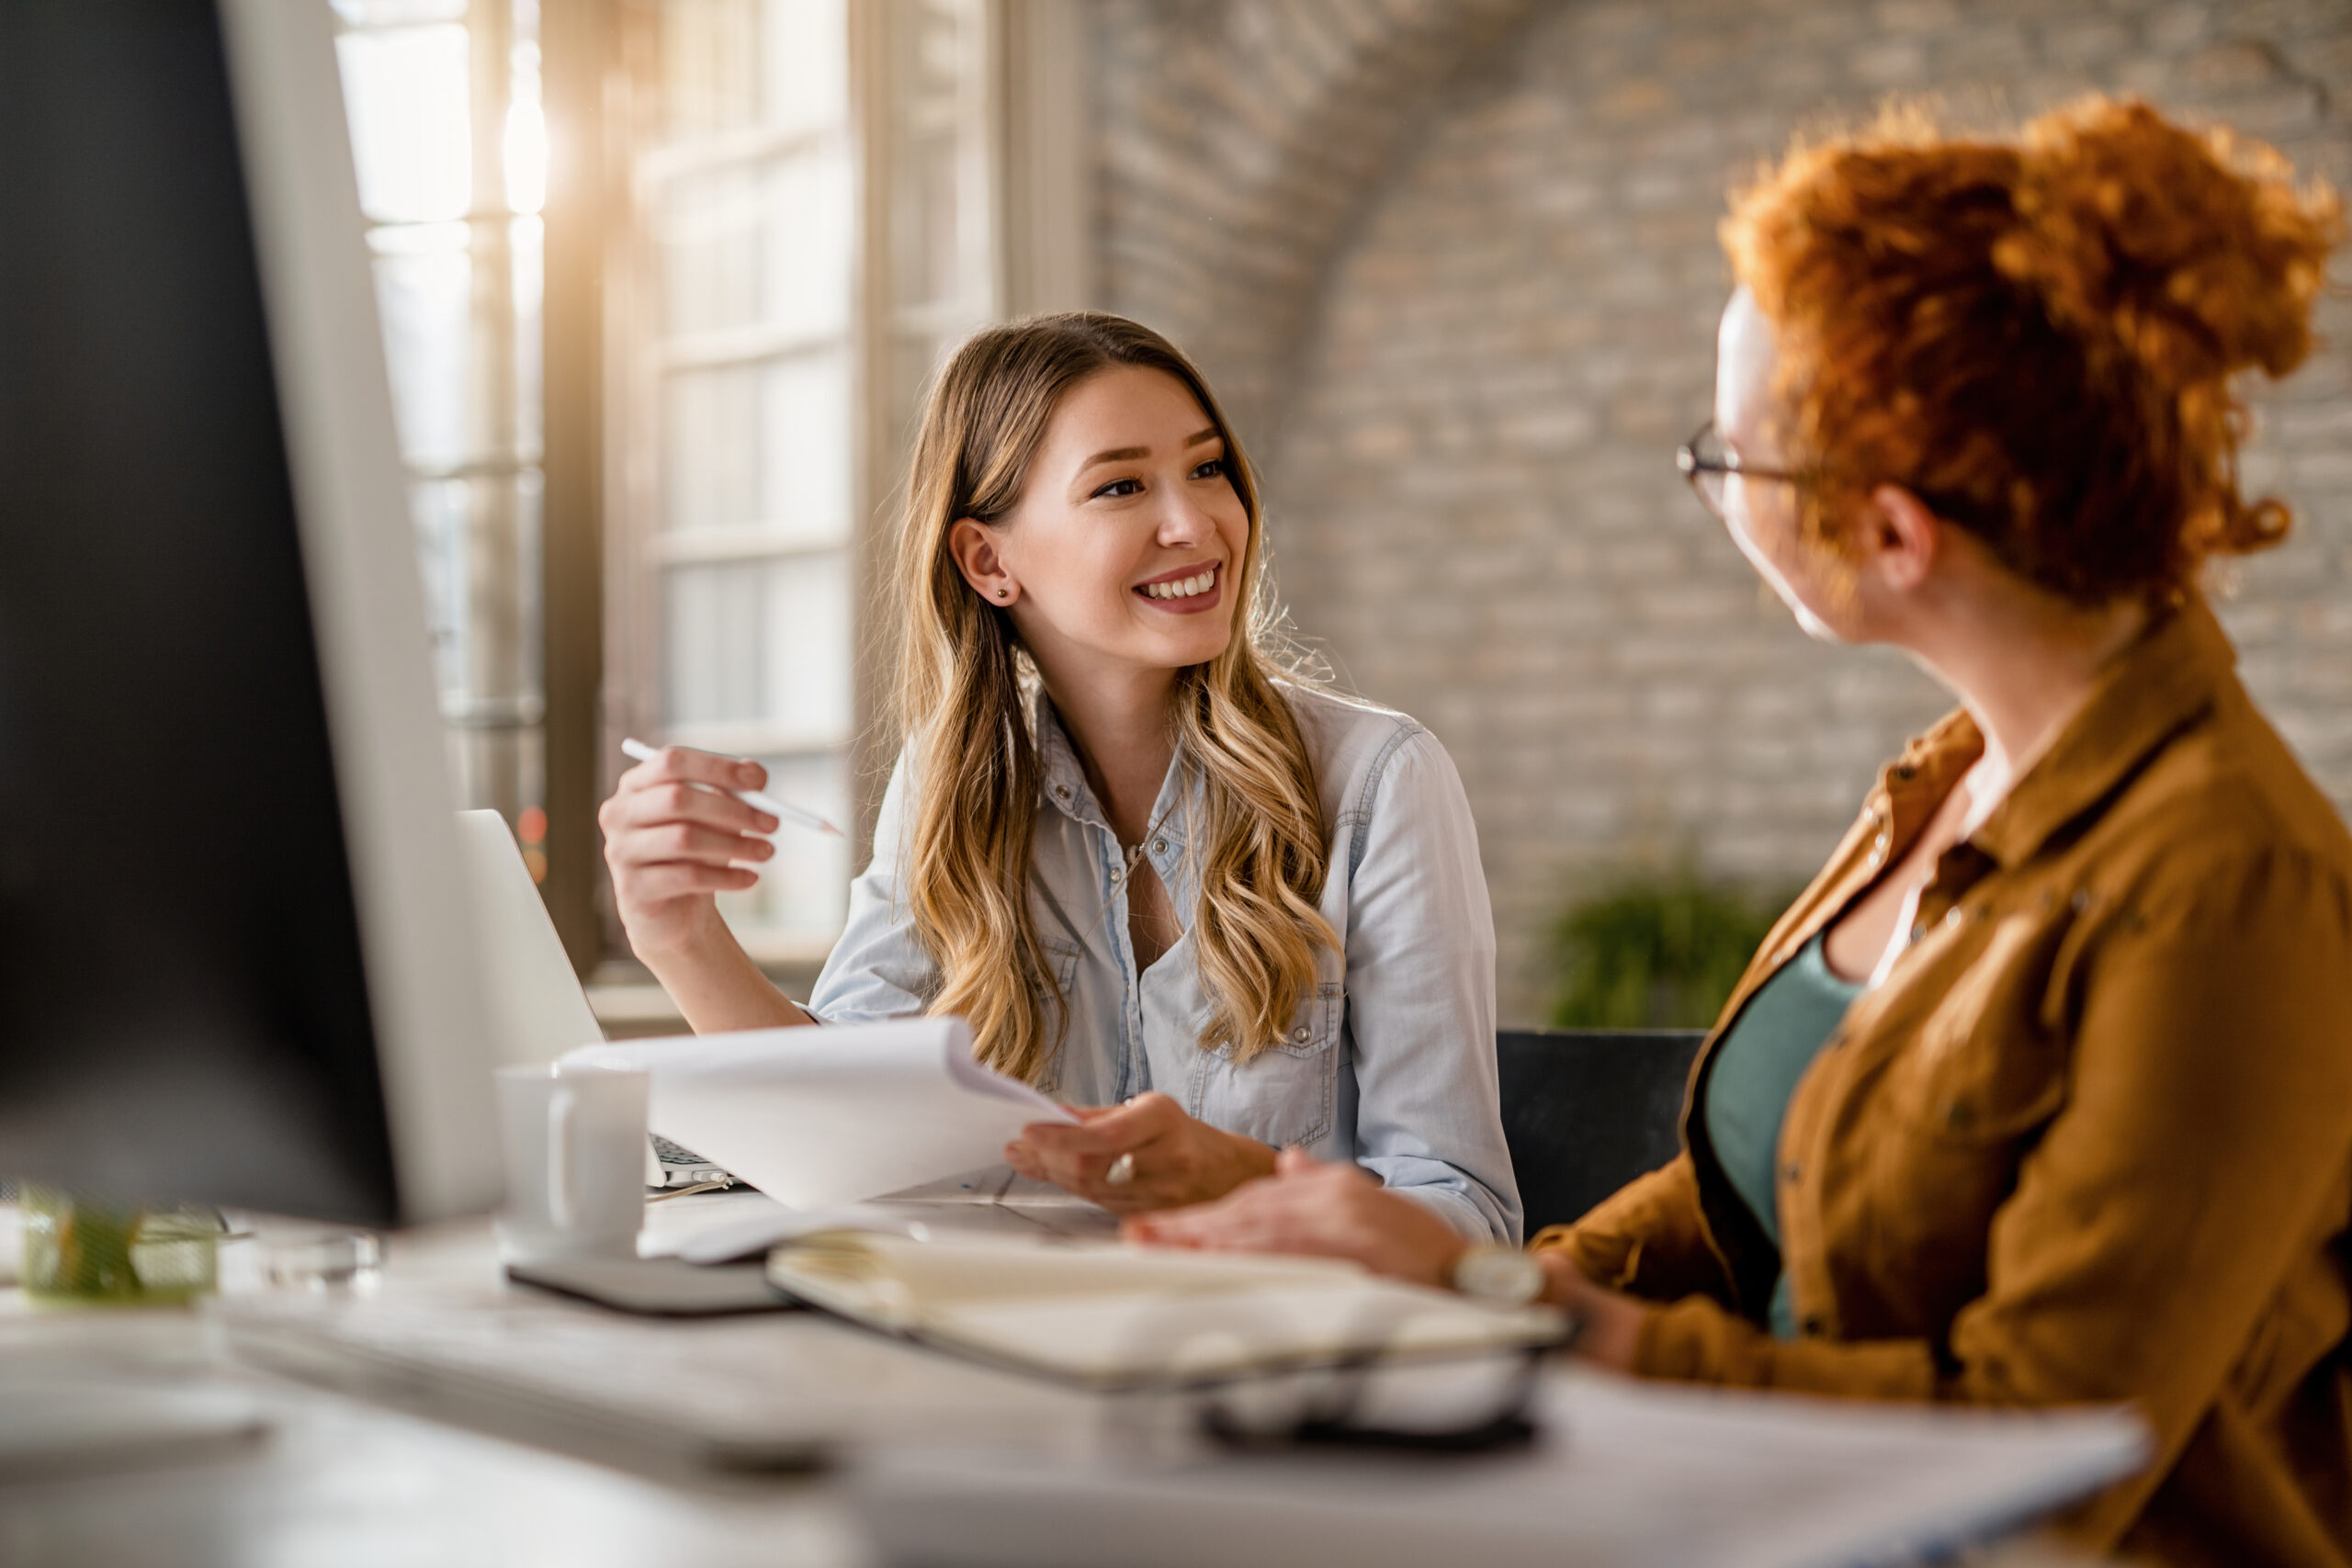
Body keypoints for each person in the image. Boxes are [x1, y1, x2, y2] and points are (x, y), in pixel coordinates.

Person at [1128, 98, 2351, 1564]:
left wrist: (1516, 1307)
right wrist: (1422, 1275)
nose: (1711, 488)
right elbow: (1743, 1200)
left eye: (1730, 457)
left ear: (1894, 532)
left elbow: (2038, 1443)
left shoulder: (2230, 882)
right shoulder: (1943, 786)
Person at [599, 311, 1519, 1241]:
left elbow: (1469, 1217)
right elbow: (835, 1133)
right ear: (989, 561)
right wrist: (682, 938)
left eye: (1208, 469)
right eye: (1122, 485)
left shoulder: (1378, 783)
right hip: (1003, 1322)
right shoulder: (951, 789)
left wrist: (1237, 1179)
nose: (1195, 523)